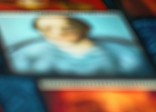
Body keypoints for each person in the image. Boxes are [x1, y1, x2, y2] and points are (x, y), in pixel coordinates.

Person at [8, 14, 149, 76]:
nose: (59, 31)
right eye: (48, 28)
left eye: (68, 25)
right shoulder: (25, 55)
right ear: (40, 32)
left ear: (85, 27)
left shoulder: (126, 53)